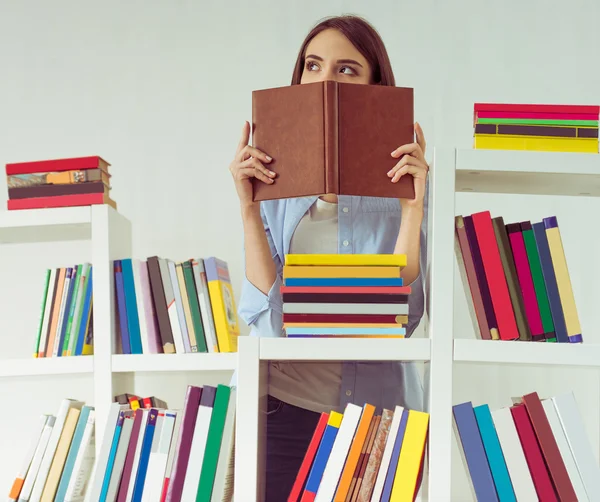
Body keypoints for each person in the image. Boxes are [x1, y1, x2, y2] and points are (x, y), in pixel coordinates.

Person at [230, 14, 429, 500]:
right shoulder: (275, 182)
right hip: (278, 406)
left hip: (373, 415)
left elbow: (402, 317)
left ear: (374, 85)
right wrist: (248, 208)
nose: (324, 79)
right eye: (313, 65)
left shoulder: (406, 179)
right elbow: (264, 312)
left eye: (346, 69)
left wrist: (412, 209)